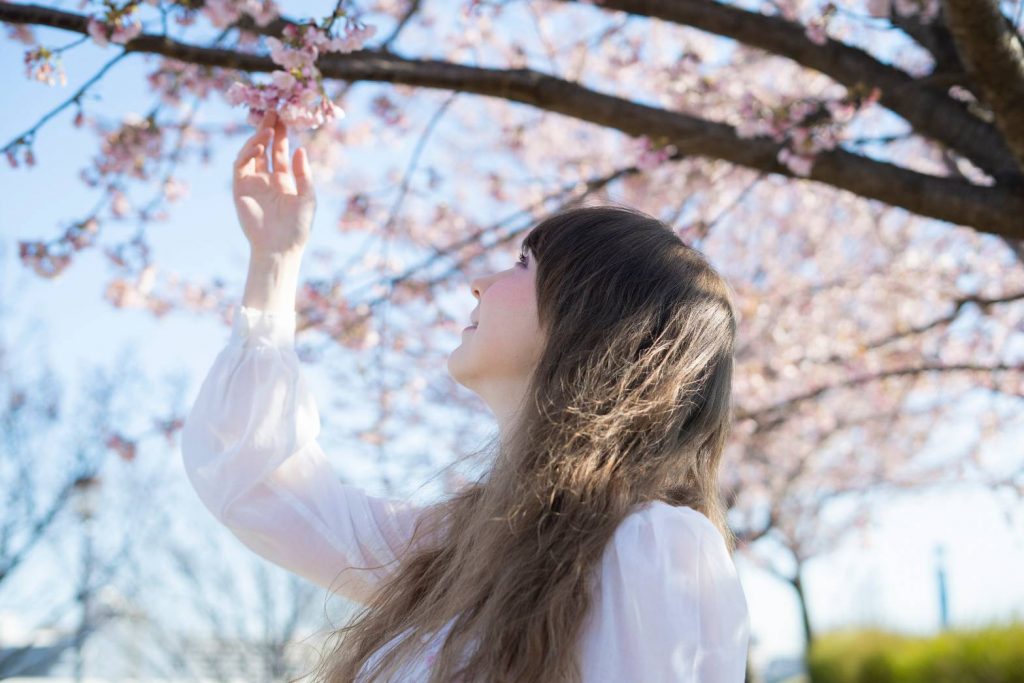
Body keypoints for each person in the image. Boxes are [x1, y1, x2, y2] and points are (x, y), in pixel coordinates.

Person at [182, 109, 750, 682]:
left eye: (524, 263)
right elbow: (261, 484)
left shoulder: (652, 547)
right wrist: (275, 261)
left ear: (591, 319)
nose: (478, 280)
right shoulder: (467, 545)